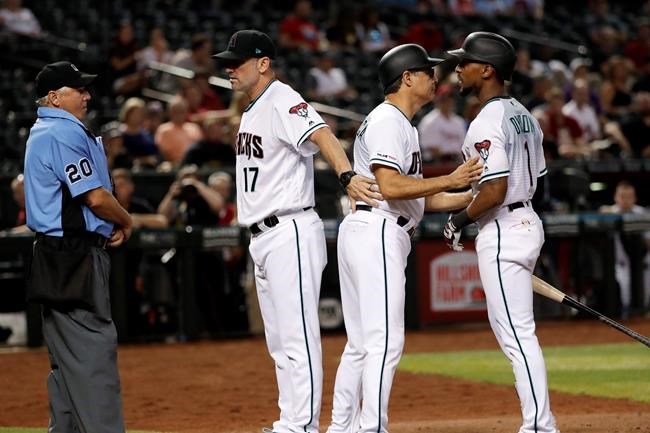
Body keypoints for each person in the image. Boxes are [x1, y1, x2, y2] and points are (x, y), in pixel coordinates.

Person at [213, 29, 380, 433]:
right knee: (279, 342)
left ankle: (301, 425)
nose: (230, 69)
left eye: (237, 62)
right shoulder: (252, 108)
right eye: (227, 64)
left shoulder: (282, 97)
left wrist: (346, 176)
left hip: (290, 228)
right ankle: (291, 421)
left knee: (297, 337)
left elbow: (321, 133)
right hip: (264, 236)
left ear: (263, 63)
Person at [326, 44, 482, 433]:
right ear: (407, 77)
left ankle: (341, 428)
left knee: (362, 344)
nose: (435, 77)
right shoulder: (388, 121)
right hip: (377, 230)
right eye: (427, 71)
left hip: (371, 229)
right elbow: (391, 186)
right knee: (384, 342)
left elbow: (421, 197)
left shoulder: (400, 124)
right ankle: (370, 428)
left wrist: (470, 197)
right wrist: (452, 177)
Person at [442, 32, 559, 433]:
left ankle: (540, 426)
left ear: (487, 69)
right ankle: (540, 423)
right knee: (519, 332)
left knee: (516, 335)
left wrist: (459, 220)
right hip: (525, 221)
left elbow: (493, 189)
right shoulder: (525, 113)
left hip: (503, 227)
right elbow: (535, 176)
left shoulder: (486, 120)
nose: (457, 70)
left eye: (465, 63)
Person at [23, 61, 132, 433]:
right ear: (54, 97)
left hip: (57, 254)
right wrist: (126, 220)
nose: (87, 95)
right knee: (92, 357)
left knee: (68, 364)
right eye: (78, 89)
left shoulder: (50, 129)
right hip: (73, 255)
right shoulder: (58, 132)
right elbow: (96, 199)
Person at [599, 180, 649, 318]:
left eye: (629, 196)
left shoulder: (642, 213)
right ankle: (627, 317)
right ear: (616, 197)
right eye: (622, 196)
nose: (626, 200)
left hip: (643, 262)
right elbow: (601, 212)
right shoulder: (610, 212)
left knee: (645, 295)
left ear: (634, 198)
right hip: (621, 262)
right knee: (625, 293)